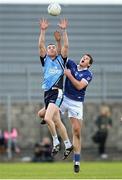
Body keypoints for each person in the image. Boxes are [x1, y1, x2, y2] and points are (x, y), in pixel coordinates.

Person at [38, 18, 73, 159]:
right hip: (47, 93)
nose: (51, 48)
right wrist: (43, 30)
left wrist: (64, 31)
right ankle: (68, 144)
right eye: (49, 47)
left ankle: (56, 142)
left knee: (47, 117)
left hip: (56, 92)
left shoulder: (60, 60)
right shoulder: (45, 60)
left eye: (53, 47)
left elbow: (66, 47)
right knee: (52, 119)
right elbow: (40, 44)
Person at [60, 54, 93, 173]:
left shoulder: (88, 74)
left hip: (76, 103)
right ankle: (64, 142)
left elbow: (79, 86)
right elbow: (62, 55)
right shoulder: (72, 64)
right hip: (65, 98)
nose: (84, 58)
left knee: (77, 132)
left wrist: (68, 75)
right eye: (83, 56)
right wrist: (60, 40)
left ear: (89, 64)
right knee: (44, 114)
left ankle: (76, 162)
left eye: (87, 58)